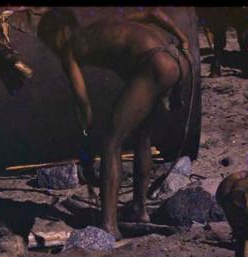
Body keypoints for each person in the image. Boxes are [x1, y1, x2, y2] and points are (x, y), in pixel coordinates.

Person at [37, 7, 191, 239]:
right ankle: (139, 209)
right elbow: (153, 13)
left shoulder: (68, 47)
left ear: (59, 33)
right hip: (178, 60)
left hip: (154, 64)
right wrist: (183, 38)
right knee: (143, 136)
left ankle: (108, 225)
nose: (52, 49)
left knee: (110, 143)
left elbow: (82, 99)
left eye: (50, 43)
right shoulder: (108, 24)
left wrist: (86, 128)